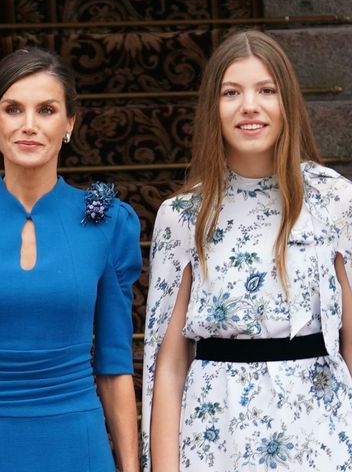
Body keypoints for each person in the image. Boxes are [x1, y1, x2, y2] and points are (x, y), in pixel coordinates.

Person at [0, 47, 142, 472]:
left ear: (69, 123)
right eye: (13, 109)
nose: (28, 126)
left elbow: (114, 368)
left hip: (78, 444)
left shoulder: (110, 223)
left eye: (46, 110)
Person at [142, 30, 352, 470]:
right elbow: (170, 365)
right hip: (215, 439)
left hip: (318, 436)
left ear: (287, 103)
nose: (249, 106)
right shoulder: (183, 215)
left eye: (266, 90)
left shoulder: (333, 199)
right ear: (213, 109)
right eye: (231, 92)